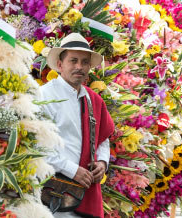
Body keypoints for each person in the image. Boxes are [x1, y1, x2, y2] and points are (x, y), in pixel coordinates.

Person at [39, 33, 114, 218]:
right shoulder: (44, 96)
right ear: (60, 64)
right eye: (73, 60)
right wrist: (72, 170)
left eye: (84, 62)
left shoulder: (94, 99)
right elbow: (36, 145)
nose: (79, 67)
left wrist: (102, 162)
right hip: (51, 190)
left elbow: (103, 138)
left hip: (83, 193)